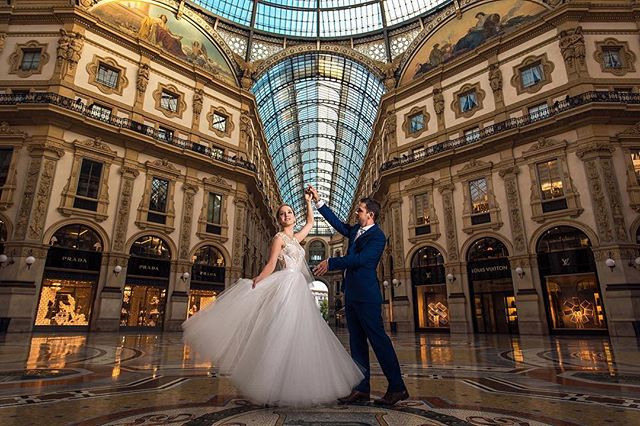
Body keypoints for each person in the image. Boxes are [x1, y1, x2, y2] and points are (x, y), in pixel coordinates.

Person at [182, 189, 363, 407]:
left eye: (289, 212)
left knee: (300, 334)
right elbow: (271, 263)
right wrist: (258, 279)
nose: (286, 215)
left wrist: (308, 202)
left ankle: (298, 382)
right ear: (278, 219)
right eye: (282, 214)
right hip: (287, 285)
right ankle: (274, 385)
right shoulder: (279, 238)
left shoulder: (296, 239)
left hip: (298, 288)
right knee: (282, 331)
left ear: (293, 217)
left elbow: (310, 222)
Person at [308, 185, 408, 406]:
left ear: (370, 215)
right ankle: (361, 389)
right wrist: (318, 201)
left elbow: (361, 260)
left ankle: (397, 387)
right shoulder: (355, 231)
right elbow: (337, 223)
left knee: (379, 341)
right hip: (352, 295)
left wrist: (331, 262)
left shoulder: (378, 237)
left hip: (367, 296)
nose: (356, 213)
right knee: (357, 344)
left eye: (360, 210)